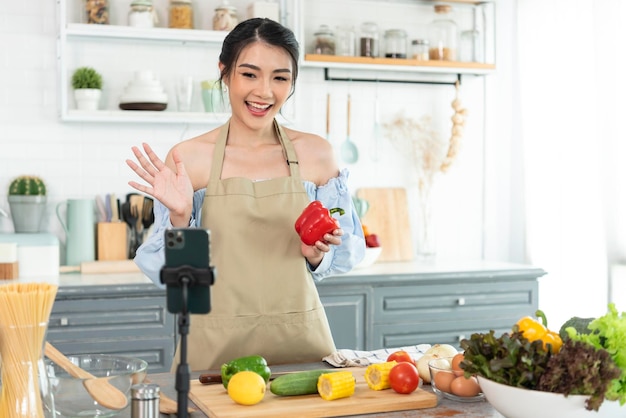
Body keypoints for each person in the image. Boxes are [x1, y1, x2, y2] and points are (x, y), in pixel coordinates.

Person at [126, 17, 365, 371]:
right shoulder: (188, 158)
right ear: (224, 72)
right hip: (213, 353)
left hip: (300, 348)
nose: (264, 92)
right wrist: (179, 218)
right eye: (249, 74)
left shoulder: (317, 155)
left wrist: (315, 255)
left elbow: (345, 253)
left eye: (280, 77)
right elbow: (180, 281)